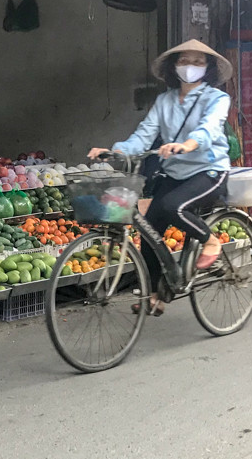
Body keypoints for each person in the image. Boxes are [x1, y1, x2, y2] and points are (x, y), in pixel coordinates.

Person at [88, 39, 233, 316]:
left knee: (172, 207)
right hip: (175, 173)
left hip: (209, 171)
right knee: (149, 228)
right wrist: (114, 151)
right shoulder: (164, 101)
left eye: (197, 62)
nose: (189, 67)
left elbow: (209, 129)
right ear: (173, 67)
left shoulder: (216, 98)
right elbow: (144, 135)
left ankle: (210, 240)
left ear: (208, 68)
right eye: (183, 61)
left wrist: (188, 145)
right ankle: (155, 295)